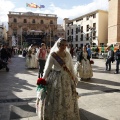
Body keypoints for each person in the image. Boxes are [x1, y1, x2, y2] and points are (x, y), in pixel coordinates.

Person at [37, 38, 80, 120]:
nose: (64, 46)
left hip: (66, 78)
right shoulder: (53, 55)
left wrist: (74, 77)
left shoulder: (67, 54)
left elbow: (70, 67)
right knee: (56, 98)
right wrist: (42, 79)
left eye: (65, 45)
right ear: (58, 45)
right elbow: (48, 68)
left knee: (67, 97)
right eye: (62, 45)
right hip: (56, 78)